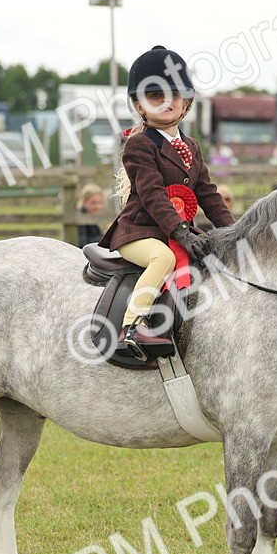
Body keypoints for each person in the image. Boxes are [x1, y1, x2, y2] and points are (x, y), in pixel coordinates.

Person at [97, 46, 235, 356]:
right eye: (155, 96)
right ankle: (131, 328)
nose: (167, 102)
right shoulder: (138, 144)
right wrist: (180, 231)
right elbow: (152, 193)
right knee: (164, 259)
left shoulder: (192, 146)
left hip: (177, 231)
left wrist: (234, 230)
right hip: (140, 232)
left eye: (174, 95)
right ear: (139, 106)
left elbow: (208, 193)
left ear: (187, 102)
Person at [75, 183, 107, 248]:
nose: (97, 207)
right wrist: (105, 236)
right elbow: (83, 244)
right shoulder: (81, 217)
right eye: (93, 203)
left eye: (100, 203)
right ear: (84, 202)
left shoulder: (90, 216)